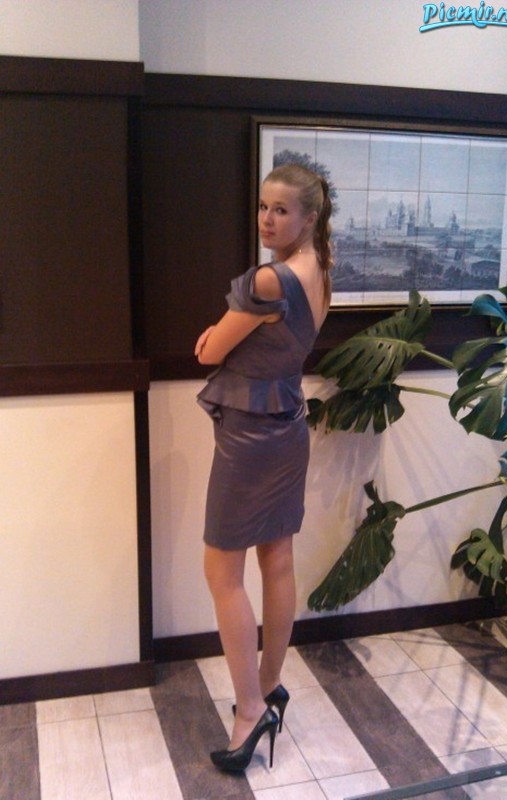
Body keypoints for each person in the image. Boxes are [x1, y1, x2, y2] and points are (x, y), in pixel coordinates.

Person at [194, 163, 333, 772]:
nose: (267, 220)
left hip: (250, 436)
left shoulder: (271, 280)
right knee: (276, 559)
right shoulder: (320, 269)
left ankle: (250, 710)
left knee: (221, 571)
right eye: (262, 207)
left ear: (309, 217)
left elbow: (209, 350)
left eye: (281, 210)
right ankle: (270, 686)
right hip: (288, 426)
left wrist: (213, 337)